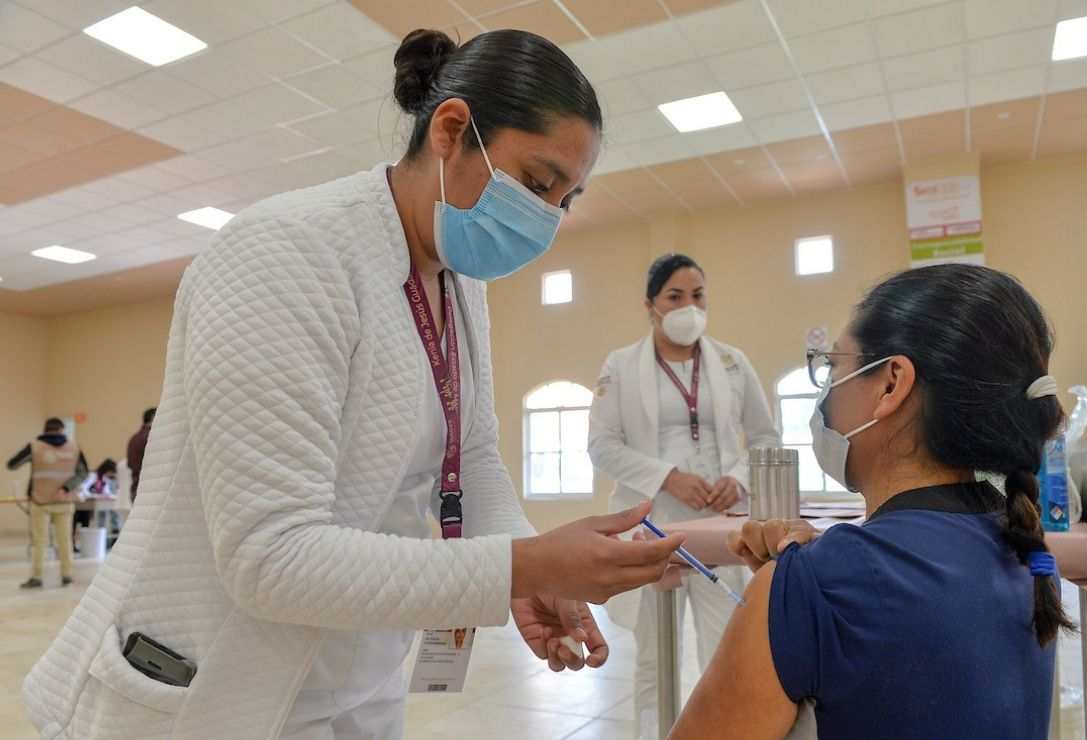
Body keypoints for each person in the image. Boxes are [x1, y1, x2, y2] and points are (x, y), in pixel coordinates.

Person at [23, 29, 685, 740]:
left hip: (355, 679)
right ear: (452, 130)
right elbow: (270, 558)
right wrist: (515, 565)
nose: (549, 216)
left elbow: (474, 458)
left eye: (568, 198)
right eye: (537, 182)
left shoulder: (456, 287)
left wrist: (531, 570)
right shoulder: (285, 253)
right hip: (208, 690)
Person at [670, 264, 1074, 740]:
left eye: (834, 366)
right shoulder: (1022, 550)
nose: (826, 391)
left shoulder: (816, 585)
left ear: (890, 384)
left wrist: (790, 591)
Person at [588, 253, 780, 738]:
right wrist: (667, 476)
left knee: (728, 651)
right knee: (655, 658)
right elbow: (602, 446)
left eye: (697, 296)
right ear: (650, 304)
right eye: (675, 296)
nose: (688, 306)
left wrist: (737, 477)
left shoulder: (733, 362)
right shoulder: (621, 366)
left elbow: (764, 437)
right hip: (652, 522)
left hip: (723, 526)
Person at [7, 418, 88, 588]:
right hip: (64, 501)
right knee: (65, 540)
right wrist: (66, 488)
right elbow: (83, 473)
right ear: (62, 430)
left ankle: (36, 577)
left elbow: (12, 465)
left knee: (39, 541)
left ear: (45, 429)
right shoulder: (74, 447)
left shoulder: (34, 447)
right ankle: (67, 576)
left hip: (39, 500)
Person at [76, 458, 120, 546]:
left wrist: (110, 496)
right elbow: (83, 488)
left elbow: (106, 492)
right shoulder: (93, 476)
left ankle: (103, 543)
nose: (111, 475)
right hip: (85, 503)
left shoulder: (104, 479)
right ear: (107, 470)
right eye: (111, 472)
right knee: (88, 522)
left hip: (98, 503)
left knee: (109, 515)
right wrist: (95, 495)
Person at [125, 407, 154, 503]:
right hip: (150, 490)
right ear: (154, 418)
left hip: (136, 488)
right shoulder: (152, 437)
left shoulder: (134, 438)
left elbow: (130, 464)